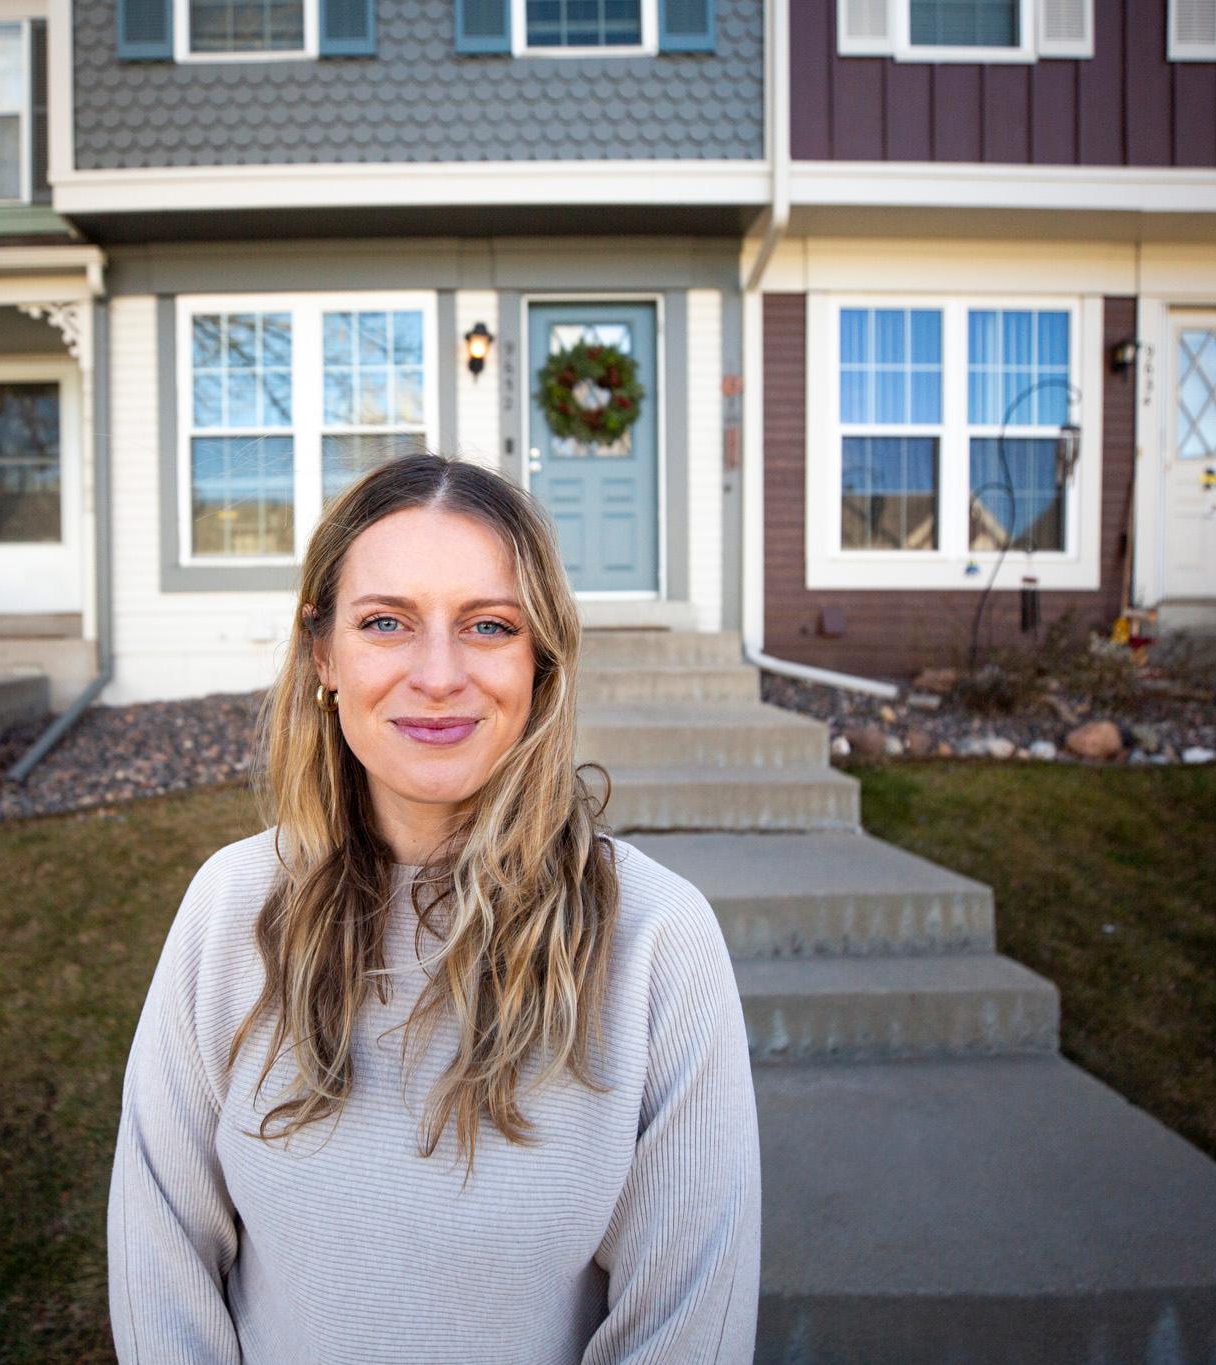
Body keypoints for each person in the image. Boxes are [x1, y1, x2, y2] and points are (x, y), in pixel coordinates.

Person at [105, 451, 760, 1363]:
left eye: (489, 625)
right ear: (323, 653)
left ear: (540, 660)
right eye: (386, 622)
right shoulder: (230, 910)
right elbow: (162, 1263)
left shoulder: (656, 939)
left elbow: (688, 1324)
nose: (440, 673)